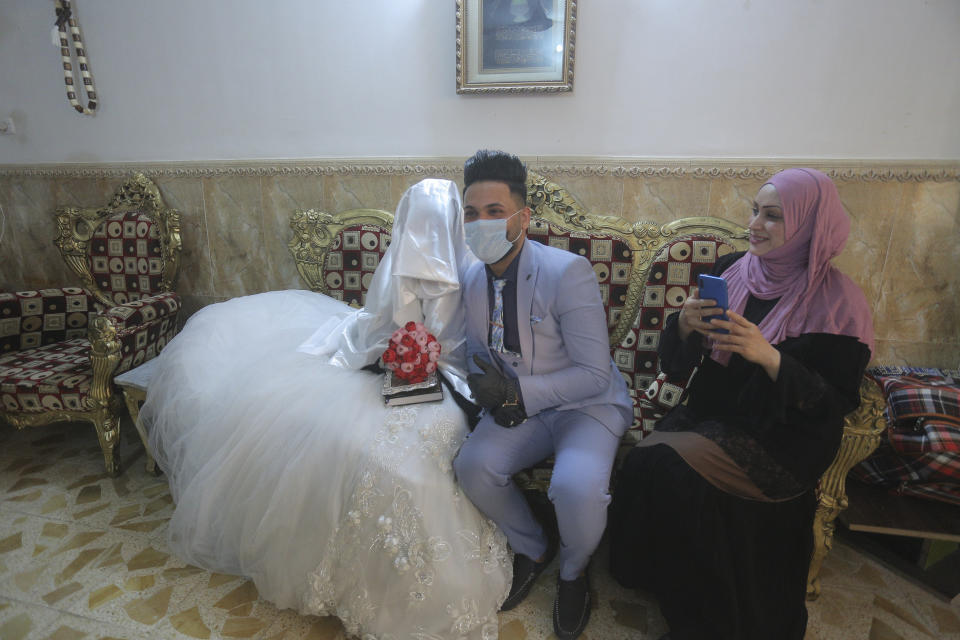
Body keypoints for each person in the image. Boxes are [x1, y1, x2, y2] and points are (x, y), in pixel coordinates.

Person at [140, 179, 510, 640]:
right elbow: (377, 330)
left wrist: (443, 366)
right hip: (392, 374)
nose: (427, 235)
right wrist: (395, 356)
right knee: (322, 439)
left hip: (453, 383)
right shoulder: (400, 264)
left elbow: (482, 339)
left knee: (410, 466)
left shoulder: (476, 268)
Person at [608, 168, 874, 640]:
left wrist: (769, 356)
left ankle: (708, 620)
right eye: (755, 211)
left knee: (685, 477)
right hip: (716, 413)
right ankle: (663, 579)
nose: (755, 225)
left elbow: (833, 402)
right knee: (650, 461)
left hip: (783, 434)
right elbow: (677, 360)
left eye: (773, 217)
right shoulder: (734, 269)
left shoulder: (838, 301)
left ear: (811, 227)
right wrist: (686, 325)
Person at [452, 150, 633, 640]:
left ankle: (574, 575)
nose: (480, 223)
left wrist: (517, 394)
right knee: (473, 467)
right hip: (520, 408)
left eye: (494, 212)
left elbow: (596, 374)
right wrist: (483, 388)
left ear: (523, 217)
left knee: (576, 488)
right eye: (471, 213)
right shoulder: (470, 276)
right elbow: (473, 350)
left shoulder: (566, 272)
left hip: (584, 406)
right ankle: (534, 548)